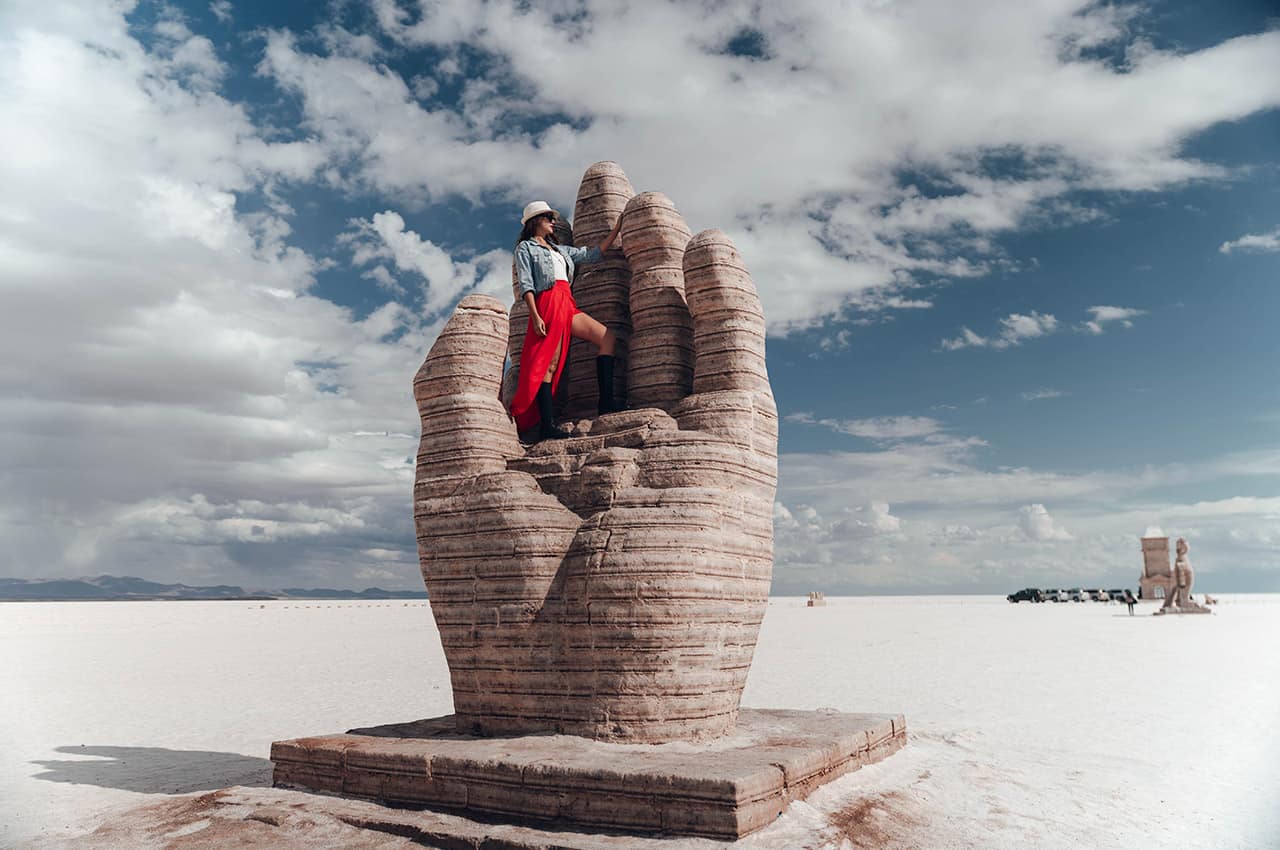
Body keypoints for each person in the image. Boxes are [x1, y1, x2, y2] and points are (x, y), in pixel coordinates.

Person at [509, 201, 623, 440]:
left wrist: (617, 229)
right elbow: (527, 285)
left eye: (552, 216)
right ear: (535, 222)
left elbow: (591, 255)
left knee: (607, 338)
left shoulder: (560, 250)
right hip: (547, 302)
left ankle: (606, 403)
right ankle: (547, 426)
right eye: (548, 216)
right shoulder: (525, 248)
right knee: (548, 363)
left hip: (566, 302)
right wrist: (536, 315)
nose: (553, 220)